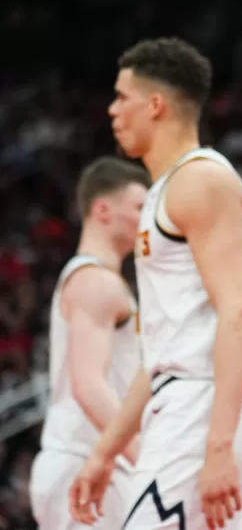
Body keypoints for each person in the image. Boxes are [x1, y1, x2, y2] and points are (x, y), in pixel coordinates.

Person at [69, 37, 242, 530]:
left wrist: (219, 444)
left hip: (202, 408)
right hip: (187, 403)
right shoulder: (167, 191)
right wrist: (104, 453)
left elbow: (239, 313)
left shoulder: (198, 181)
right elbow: (161, 352)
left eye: (122, 97)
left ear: (155, 104)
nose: (112, 109)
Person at [30, 157, 150, 530]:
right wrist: (149, 460)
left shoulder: (99, 279)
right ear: (102, 210)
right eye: (140, 207)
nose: (149, 219)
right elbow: (90, 386)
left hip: (95, 459)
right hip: (88, 459)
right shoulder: (96, 281)